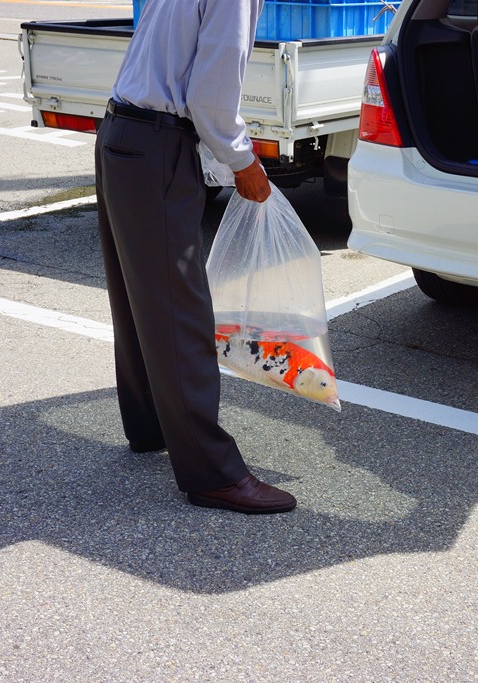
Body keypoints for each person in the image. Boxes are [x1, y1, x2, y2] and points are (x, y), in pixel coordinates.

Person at [94, 0, 297, 513]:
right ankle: (211, 473)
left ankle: (151, 426)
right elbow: (210, 98)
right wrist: (243, 162)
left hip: (123, 133)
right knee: (178, 309)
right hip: (157, 144)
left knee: (139, 296)